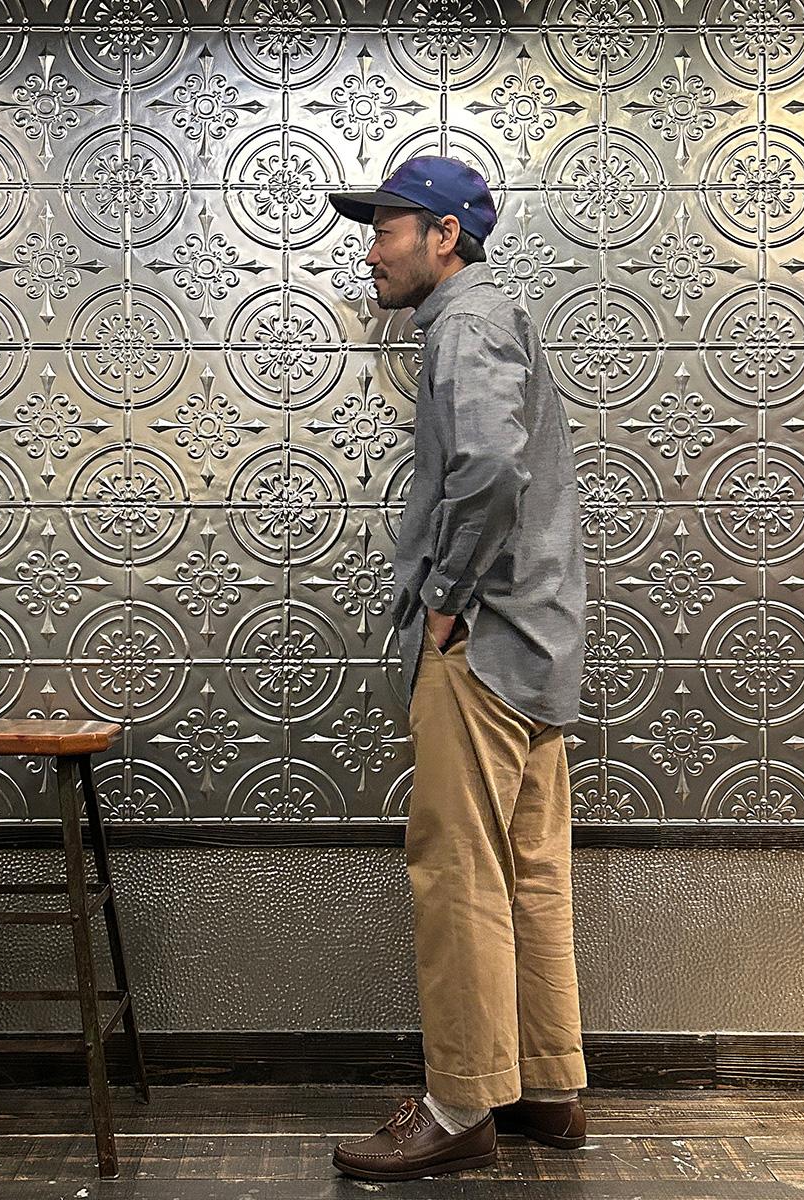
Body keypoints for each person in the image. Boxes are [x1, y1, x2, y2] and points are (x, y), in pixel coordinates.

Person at [326, 156, 588, 1182]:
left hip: (482, 645)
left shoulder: (467, 322)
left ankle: (460, 1106)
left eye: (385, 228)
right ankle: (550, 1090)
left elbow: (486, 469)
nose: (371, 250)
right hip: (538, 644)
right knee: (530, 873)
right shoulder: (491, 318)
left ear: (444, 236)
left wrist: (444, 600)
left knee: (457, 873)